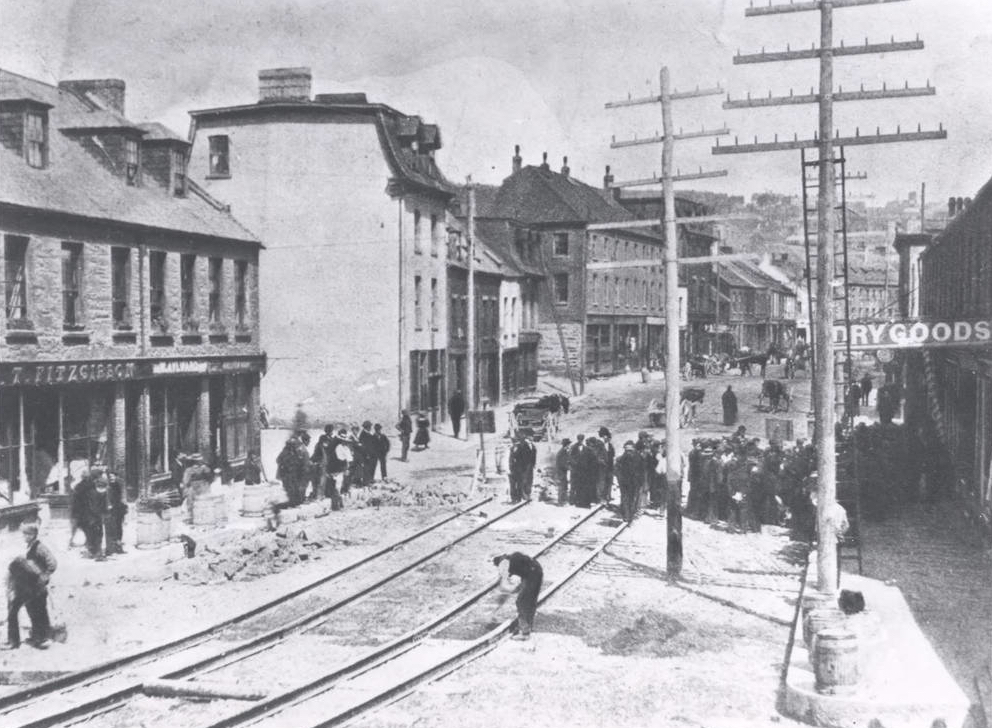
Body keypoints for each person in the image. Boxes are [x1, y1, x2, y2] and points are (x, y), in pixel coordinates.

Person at [4, 523, 57, 650]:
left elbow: (52, 564)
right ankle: (38, 637)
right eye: (24, 534)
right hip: (30, 585)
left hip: (36, 586)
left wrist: (44, 577)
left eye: (27, 534)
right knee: (34, 611)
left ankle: (36, 638)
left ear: (33, 535)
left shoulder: (40, 547)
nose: (24, 537)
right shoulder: (31, 546)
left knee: (37, 611)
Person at [493, 552, 543, 641]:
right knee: (530, 601)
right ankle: (528, 627)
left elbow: (504, 586)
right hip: (536, 571)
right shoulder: (510, 559)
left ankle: (524, 632)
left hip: (531, 575)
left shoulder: (503, 564)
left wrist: (500, 601)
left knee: (521, 602)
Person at [276, 433, 310, 507]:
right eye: (293, 445)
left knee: (294, 489)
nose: (295, 446)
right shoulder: (286, 452)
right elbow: (279, 460)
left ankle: (295, 503)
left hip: (292, 475)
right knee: (291, 490)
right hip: (288, 475)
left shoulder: (294, 452)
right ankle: (292, 504)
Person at [615, 441, 643, 524]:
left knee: (633, 499)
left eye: (630, 450)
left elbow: (642, 471)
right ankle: (627, 516)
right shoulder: (621, 459)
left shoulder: (638, 458)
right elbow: (617, 470)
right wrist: (619, 480)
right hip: (624, 483)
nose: (628, 452)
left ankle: (630, 515)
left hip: (635, 483)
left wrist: (640, 482)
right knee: (625, 499)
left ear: (633, 450)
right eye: (627, 450)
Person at [508, 431, 537, 503]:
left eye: (532, 437)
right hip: (521, 467)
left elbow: (532, 456)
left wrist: (533, 465)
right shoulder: (521, 445)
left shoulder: (532, 446)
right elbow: (518, 457)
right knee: (521, 481)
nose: (531, 438)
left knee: (528, 481)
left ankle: (526, 495)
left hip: (529, 467)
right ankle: (521, 496)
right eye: (530, 436)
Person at [105, 472, 127, 555]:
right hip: (111, 511)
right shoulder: (108, 486)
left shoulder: (119, 485)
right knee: (112, 529)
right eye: (110, 477)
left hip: (119, 510)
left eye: (113, 476)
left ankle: (119, 547)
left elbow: (123, 497)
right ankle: (111, 549)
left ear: (116, 476)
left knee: (119, 529)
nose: (111, 478)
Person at [597, 427, 616, 503]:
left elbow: (613, 454)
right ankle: (601, 497)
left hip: (610, 466)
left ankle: (608, 496)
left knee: (609, 481)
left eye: (607, 436)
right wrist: (601, 461)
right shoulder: (599, 444)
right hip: (602, 467)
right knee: (601, 482)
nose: (607, 438)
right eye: (605, 436)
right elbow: (596, 456)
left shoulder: (610, 445)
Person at [555, 438, 571, 506]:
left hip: (563, 472)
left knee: (564, 486)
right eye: (569, 444)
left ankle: (563, 501)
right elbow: (562, 464)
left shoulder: (564, 451)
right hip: (561, 472)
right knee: (562, 487)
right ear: (566, 445)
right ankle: (561, 502)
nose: (569, 446)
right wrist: (569, 468)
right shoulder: (561, 452)